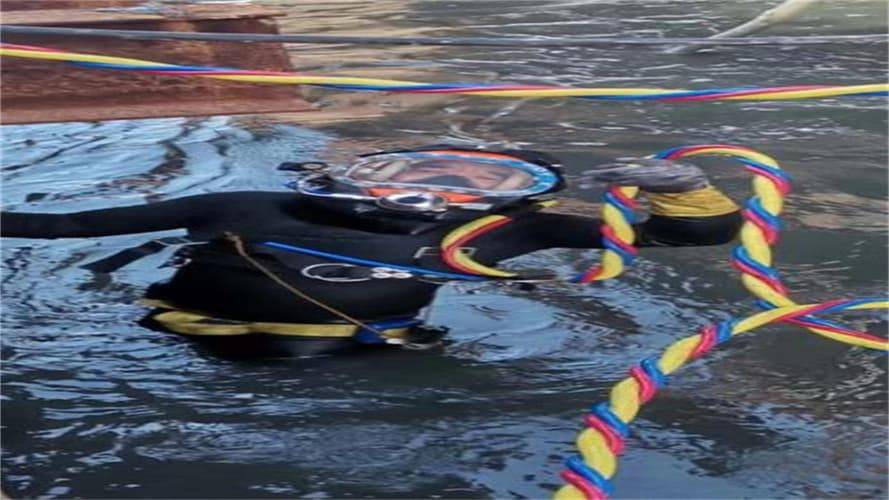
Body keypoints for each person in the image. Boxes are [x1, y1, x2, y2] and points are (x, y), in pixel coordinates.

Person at [0, 145, 742, 357]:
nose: (440, 186)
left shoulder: (510, 233)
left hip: (359, 355)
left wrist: (687, 191)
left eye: (482, 182)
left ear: (516, 202)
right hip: (169, 341)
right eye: (423, 170)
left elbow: (684, 238)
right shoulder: (242, 203)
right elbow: (63, 228)